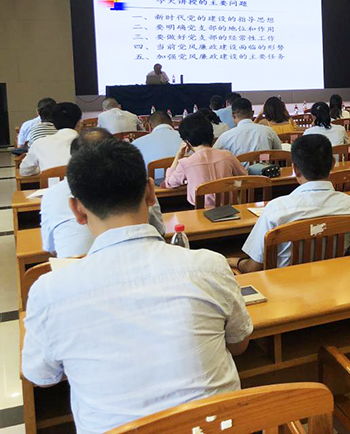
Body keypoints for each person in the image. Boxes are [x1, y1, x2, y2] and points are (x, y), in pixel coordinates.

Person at [22, 138, 252, 434]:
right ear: (151, 192)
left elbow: (41, 376)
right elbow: (239, 344)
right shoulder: (209, 266)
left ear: (77, 210)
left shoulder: (49, 291)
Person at [235, 135, 350, 272]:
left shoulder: (276, 210)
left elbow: (253, 268)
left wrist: (235, 262)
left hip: (285, 283)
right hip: (337, 281)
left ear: (295, 169)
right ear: (333, 164)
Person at [41, 128, 165, 258]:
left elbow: (52, 250)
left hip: (74, 264)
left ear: (77, 209)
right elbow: (160, 231)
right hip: (146, 257)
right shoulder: (137, 182)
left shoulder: (52, 195)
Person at [164, 113, 247, 207]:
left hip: (200, 213)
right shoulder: (228, 155)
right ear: (211, 134)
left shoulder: (186, 163)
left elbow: (169, 183)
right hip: (230, 210)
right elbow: (244, 178)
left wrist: (179, 155)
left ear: (186, 142)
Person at [20, 102, 82, 176]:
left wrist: (42, 171)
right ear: (78, 123)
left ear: (54, 124)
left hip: (51, 182)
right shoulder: (88, 144)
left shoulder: (39, 143)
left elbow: (24, 170)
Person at [214, 97, 282, 158]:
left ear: (233, 115)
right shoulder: (269, 131)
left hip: (239, 168)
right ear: (252, 113)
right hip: (265, 167)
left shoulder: (225, 137)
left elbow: (214, 155)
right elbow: (280, 153)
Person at [132, 111, 182, 183]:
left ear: (149, 126)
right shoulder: (187, 139)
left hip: (154, 188)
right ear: (172, 124)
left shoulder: (137, 144)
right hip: (186, 186)